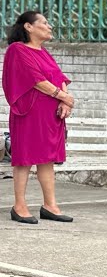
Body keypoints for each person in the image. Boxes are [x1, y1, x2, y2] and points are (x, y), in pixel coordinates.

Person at [4, 11, 76, 225]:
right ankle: (19, 206)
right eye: (44, 22)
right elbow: (36, 79)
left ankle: (50, 205)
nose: (49, 26)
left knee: (47, 159)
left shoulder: (43, 52)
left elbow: (58, 76)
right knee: (24, 159)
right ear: (28, 26)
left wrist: (65, 101)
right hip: (28, 113)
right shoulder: (17, 50)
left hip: (50, 116)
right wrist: (63, 96)